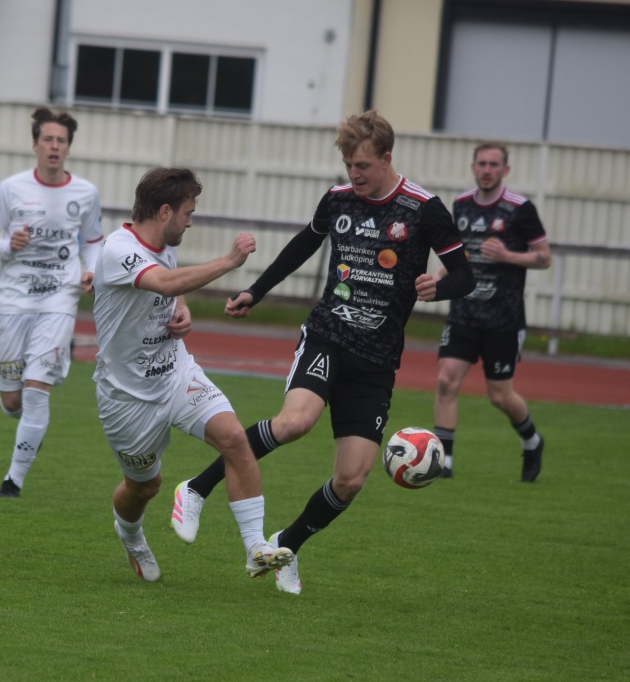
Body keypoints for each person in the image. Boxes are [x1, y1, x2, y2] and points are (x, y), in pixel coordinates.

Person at [168, 111, 475, 594]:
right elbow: (301, 247)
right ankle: (195, 488)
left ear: (387, 158)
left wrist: (440, 286)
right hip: (327, 335)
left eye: (363, 166)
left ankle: (285, 545)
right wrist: (255, 292)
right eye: (349, 164)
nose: (354, 174)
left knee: (350, 479)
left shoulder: (423, 209)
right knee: (295, 422)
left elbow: (466, 275)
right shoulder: (337, 199)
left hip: (377, 360)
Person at [93, 167, 293, 583]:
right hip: (128, 398)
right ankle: (130, 535)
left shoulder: (163, 245)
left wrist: (180, 309)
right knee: (144, 486)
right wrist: (231, 261)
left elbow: (170, 287)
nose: (190, 222)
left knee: (235, 438)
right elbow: (164, 282)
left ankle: (256, 548)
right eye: (188, 213)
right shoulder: (118, 249)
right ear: (165, 211)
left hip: (177, 374)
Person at [0, 107, 103, 498]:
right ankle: (31, 428)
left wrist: (91, 270)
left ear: (68, 148)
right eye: (48, 139)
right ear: (35, 144)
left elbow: (93, 242)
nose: (54, 146)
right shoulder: (11, 188)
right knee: (12, 400)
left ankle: (12, 481)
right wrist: (7, 245)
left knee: (36, 390)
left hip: (59, 298)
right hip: (14, 300)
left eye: (61, 140)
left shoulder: (85, 193)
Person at [433, 142, 551, 481]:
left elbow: (544, 257)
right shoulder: (461, 204)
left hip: (504, 318)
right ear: (473, 167)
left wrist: (508, 256)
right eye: (482, 164)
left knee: (499, 395)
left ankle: (532, 441)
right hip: (463, 312)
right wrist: (439, 275)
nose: (487, 170)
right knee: (445, 381)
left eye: (493, 165)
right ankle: (444, 462)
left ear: (505, 170)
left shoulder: (520, 209)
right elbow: (458, 255)